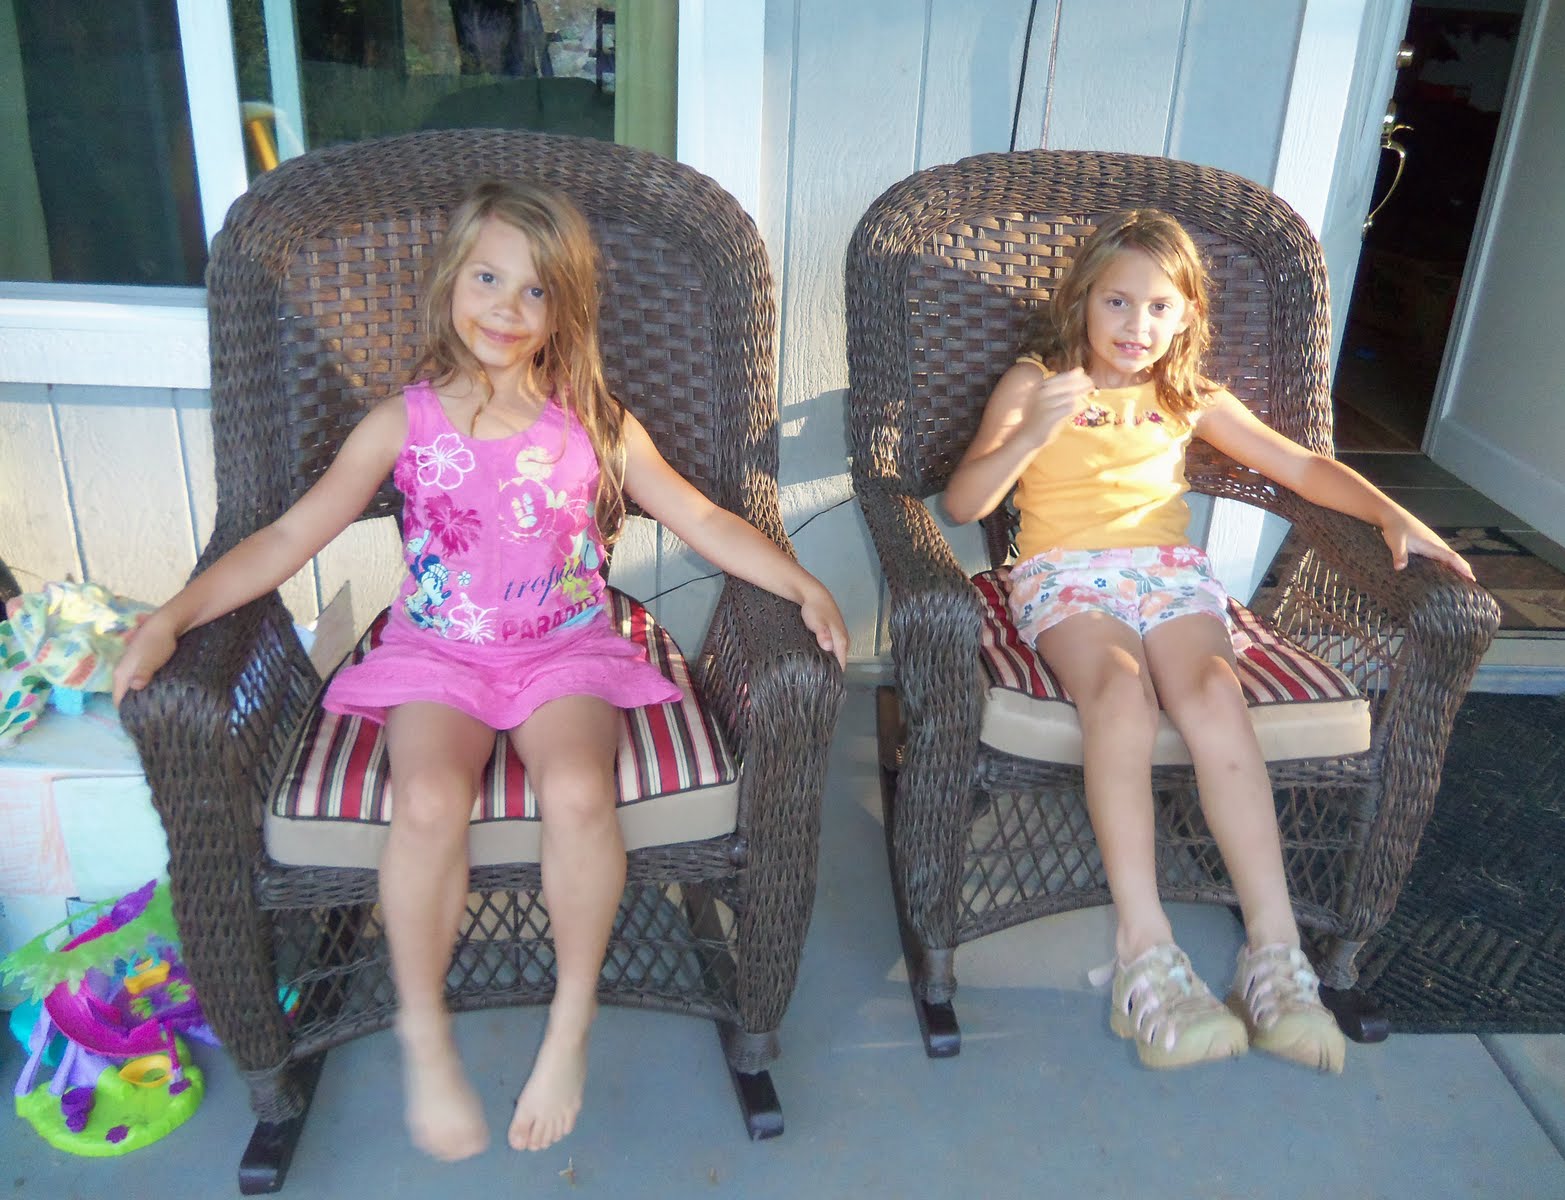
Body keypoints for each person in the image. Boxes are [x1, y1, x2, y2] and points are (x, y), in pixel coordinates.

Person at [113, 179, 849, 1160]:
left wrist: (801, 584)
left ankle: (571, 1020)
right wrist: (172, 617)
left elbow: (706, 517)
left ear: (564, 310)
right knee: (425, 800)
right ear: (451, 283)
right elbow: (286, 536)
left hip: (565, 646)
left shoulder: (596, 423)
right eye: (489, 279)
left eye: (535, 290)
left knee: (579, 789)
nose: (507, 307)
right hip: (439, 652)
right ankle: (423, 1030)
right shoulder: (402, 423)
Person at [942, 209, 1473, 1074]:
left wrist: (1392, 513)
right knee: (1120, 697)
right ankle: (1145, 950)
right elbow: (964, 503)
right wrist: (1033, 430)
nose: (1136, 325)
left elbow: (1299, 466)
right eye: (1117, 302)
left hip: (1171, 577)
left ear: (1187, 314)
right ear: (1082, 300)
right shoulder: (1036, 381)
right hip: (1067, 576)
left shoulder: (1186, 395)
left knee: (1217, 700)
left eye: (1160, 307)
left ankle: (1274, 953)